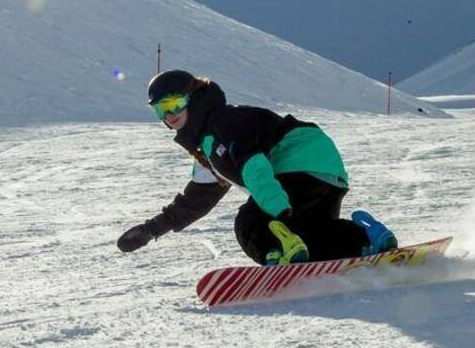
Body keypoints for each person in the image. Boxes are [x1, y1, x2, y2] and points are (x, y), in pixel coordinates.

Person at [117, 70, 397, 265]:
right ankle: (367, 238)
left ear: (193, 97)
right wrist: (152, 229)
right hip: (327, 171)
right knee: (311, 237)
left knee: (250, 222)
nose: (169, 115)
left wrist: (280, 211)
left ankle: (277, 256)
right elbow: (196, 199)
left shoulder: (223, 125)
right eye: (160, 110)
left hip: (299, 159)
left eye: (174, 104)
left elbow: (255, 168)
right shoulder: (209, 147)